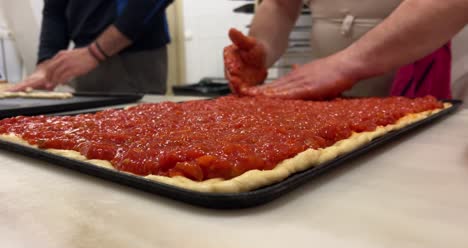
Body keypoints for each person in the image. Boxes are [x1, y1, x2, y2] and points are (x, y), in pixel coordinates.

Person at [224, 0, 468, 100]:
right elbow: (280, 4)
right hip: (329, 94)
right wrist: (262, 48)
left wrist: (346, 64)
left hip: (430, 85)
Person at [10, 0, 173, 94]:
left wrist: (95, 52)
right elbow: (55, 9)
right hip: (82, 61)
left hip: (133, 57)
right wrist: (46, 64)